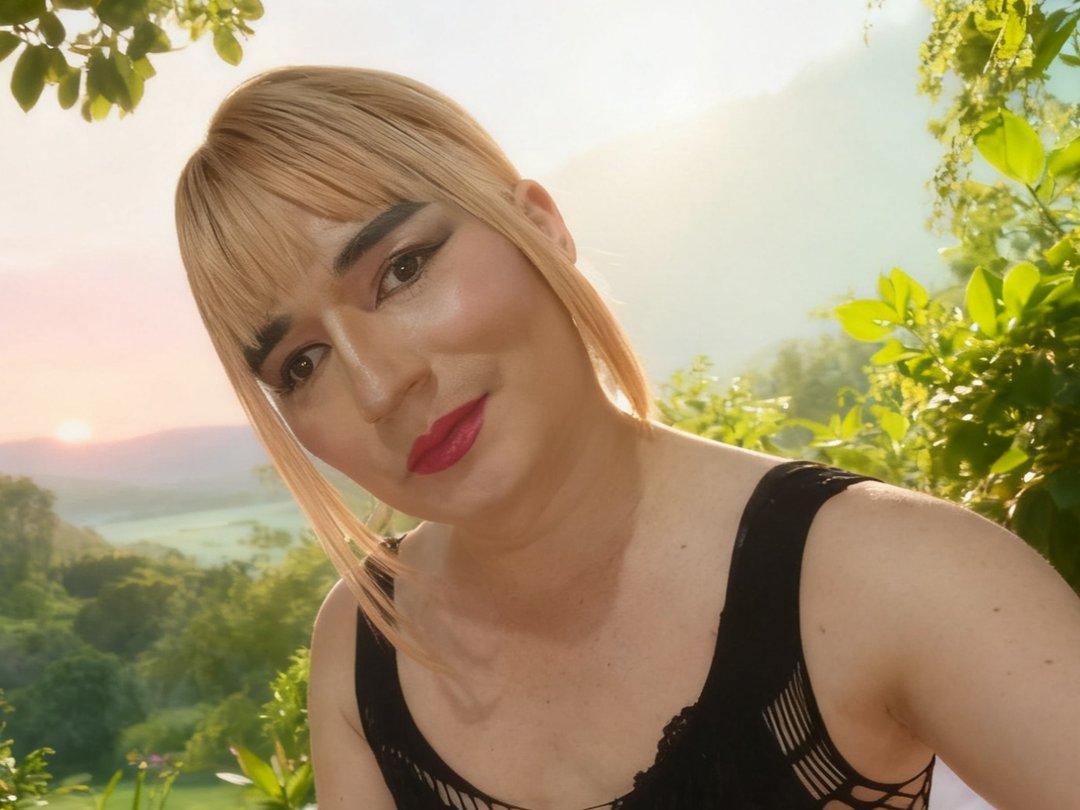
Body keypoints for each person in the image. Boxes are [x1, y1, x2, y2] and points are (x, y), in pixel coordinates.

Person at [175, 66, 1080, 810]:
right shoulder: (364, 647)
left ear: (540, 225)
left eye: (402, 269)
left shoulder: (891, 573)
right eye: (302, 363)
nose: (380, 385)